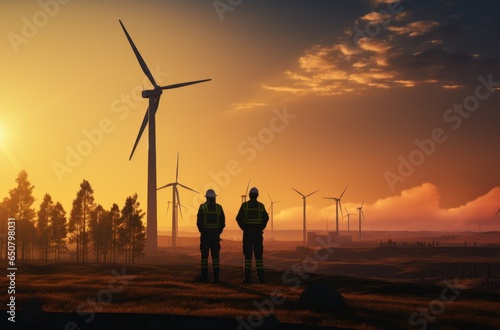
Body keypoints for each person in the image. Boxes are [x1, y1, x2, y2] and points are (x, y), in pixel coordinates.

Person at [236, 187, 269, 283]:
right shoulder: (261, 206)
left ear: (249, 195)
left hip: (248, 234)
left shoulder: (245, 205)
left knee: (247, 257)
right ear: (257, 195)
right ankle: (261, 278)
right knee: (258, 257)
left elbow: (238, 218)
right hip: (258, 234)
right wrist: (261, 228)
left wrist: (244, 228)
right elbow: (266, 218)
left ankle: (247, 278)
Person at [197, 189, 225, 283]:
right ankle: (216, 278)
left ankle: (204, 277)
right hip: (215, 235)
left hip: (205, 235)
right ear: (214, 197)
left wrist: (202, 231)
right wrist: (218, 232)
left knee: (204, 257)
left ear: (207, 197)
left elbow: (199, 222)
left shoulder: (202, 207)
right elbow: (222, 222)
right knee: (215, 257)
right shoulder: (219, 208)